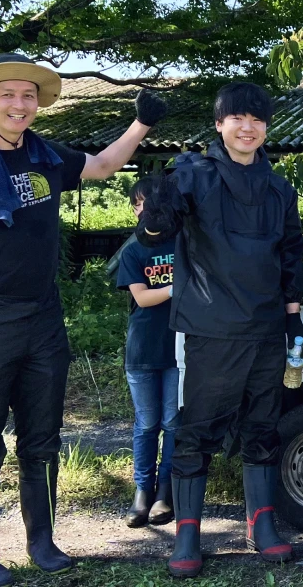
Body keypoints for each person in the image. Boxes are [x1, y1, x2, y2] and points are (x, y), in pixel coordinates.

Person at [0, 52, 167, 587]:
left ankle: (41, 540)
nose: (19, 104)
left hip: (44, 317)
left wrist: (141, 123)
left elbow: (102, 166)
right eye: (7, 94)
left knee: (42, 437)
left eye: (28, 95)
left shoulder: (46, 156)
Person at [137, 82, 303, 579]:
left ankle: (262, 525)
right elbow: (155, 232)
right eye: (237, 118)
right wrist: (157, 211)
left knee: (262, 426)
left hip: (266, 328)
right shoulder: (194, 175)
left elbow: (290, 254)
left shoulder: (279, 189)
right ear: (219, 124)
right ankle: (187, 536)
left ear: (266, 127)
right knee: (199, 430)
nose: (247, 127)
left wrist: (293, 317)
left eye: (257, 119)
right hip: (212, 328)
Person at [116, 176, 178, 529]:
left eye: (145, 202)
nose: (141, 210)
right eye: (136, 205)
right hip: (142, 351)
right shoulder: (133, 251)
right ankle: (142, 491)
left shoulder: (183, 241)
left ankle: (164, 493)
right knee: (146, 424)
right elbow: (141, 297)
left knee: (172, 422)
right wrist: (176, 286)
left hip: (178, 350)